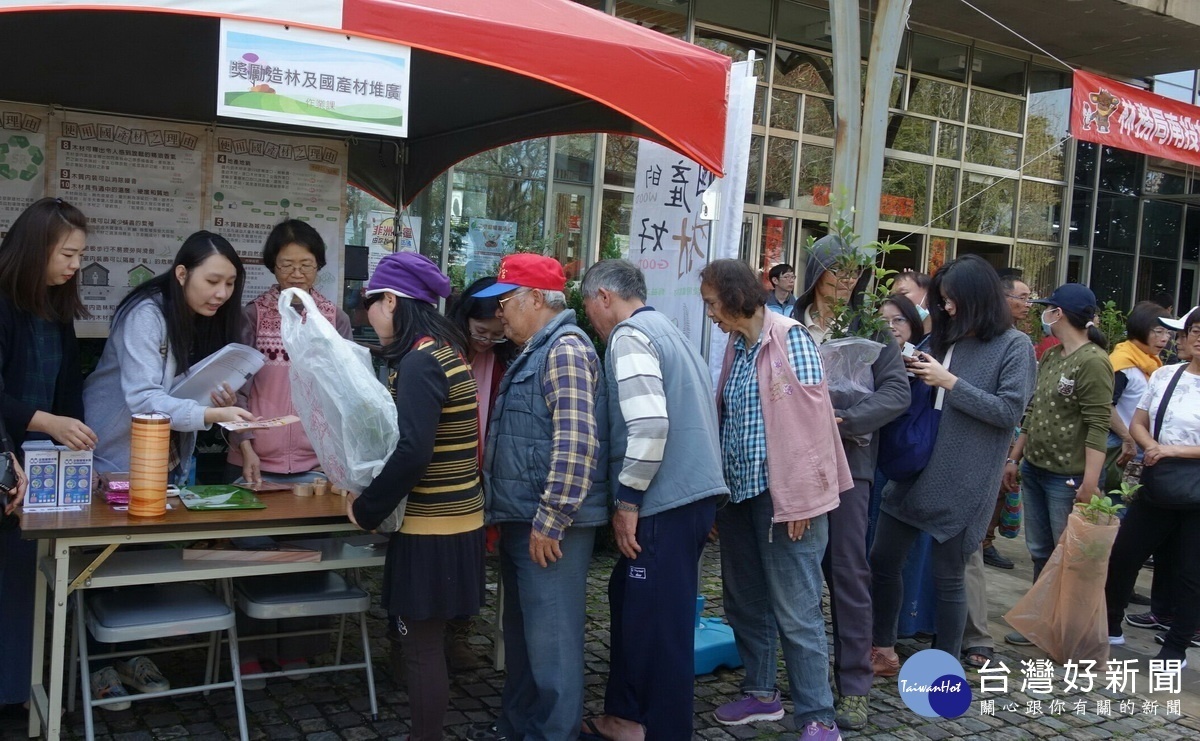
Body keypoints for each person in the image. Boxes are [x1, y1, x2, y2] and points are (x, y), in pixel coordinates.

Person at [83, 231, 253, 703]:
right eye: (212, 281)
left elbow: (179, 390)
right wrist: (212, 414)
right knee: (103, 563)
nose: (221, 293)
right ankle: (99, 664)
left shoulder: (202, 316)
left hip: (167, 458)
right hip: (115, 454)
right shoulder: (146, 314)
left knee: (143, 562)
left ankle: (129, 653)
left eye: (230, 284)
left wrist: (216, 395)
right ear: (182, 273)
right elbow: (142, 399)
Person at [579, 259, 727, 741]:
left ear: (604, 297)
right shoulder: (668, 328)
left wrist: (626, 502)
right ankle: (624, 717)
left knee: (658, 624)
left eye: (589, 307)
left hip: (663, 501)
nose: (593, 322)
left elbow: (649, 426)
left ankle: (659, 729)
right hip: (690, 495)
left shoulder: (629, 335)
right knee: (634, 602)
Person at [702, 258, 850, 740]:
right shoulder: (736, 344)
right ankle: (761, 694)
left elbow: (813, 427)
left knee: (797, 609)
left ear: (731, 297)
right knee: (745, 601)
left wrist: (804, 502)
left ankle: (818, 716)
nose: (709, 314)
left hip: (787, 499)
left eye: (710, 303)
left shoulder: (789, 337)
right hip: (742, 495)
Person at [870, 254, 1036, 670]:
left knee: (949, 577)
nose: (945, 307)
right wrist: (912, 371)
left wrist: (951, 382)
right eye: (942, 300)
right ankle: (882, 647)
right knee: (883, 562)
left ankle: (944, 668)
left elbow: (1008, 412)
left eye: (951, 299)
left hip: (964, 477)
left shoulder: (1014, 346)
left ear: (977, 297)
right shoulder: (944, 337)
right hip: (914, 468)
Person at [347, 252, 486, 741]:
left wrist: (366, 510)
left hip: (431, 530)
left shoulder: (421, 362)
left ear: (392, 301)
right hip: (458, 522)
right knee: (427, 643)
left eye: (372, 304)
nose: (368, 316)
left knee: (421, 646)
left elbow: (412, 452)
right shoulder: (448, 352)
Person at [475, 253, 608, 741]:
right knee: (526, 640)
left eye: (506, 302)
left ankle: (554, 733)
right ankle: (519, 729)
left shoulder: (565, 350)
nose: (500, 313)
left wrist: (551, 518)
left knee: (551, 644)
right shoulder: (537, 348)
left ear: (535, 298)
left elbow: (576, 442)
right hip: (523, 519)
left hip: (548, 527)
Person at [790, 235, 909, 731]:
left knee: (848, 571)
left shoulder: (870, 331)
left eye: (854, 274)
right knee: (791, 573)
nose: (845, 282)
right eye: (836, 272)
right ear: (815, 272)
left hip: (850, 464)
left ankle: (855, 683)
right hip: (793, 461)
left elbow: (897, 393)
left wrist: (848, 419)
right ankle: (800, 679)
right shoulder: (787, 325)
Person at [225, 219, 350, 686]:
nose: (297, 273)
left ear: (319, 265)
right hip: (257, 464)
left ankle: (298, 651)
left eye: (306, 264)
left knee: (307, 561)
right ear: (270, 267)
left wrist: (336, 457)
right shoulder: (251, 316)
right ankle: (252, 654)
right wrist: (245, 445)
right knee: (254, 562)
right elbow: (232, 391)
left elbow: (346, 392)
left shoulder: (334, 318)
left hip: (314, 467)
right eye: (286, 264)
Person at [0, 197, 96, 717]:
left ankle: (22, 692)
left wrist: (76, 440)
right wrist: (48, 423)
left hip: (42, 471)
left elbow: (69, 389)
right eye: (67, 254)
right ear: (36, 247)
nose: (74, 266)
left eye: (80, 255)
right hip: (7, 465)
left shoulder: (55, 307)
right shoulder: (2, 300)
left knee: (28, 580)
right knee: (11, 580)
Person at [1002, 283, 1112, 647]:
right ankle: (1040, 622)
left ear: (1059, 313)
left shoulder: (1094, 361)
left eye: (1048, 309)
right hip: (1036, 467)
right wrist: (1014, 458)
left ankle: (1065, 631)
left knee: (1068, 556)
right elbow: (1033, 412)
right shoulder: (1053, 356)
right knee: (1039, 551)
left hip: (1068, 477)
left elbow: (1098, 423)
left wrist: (1090, 482)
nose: (1044, 315)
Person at [1104, 310, 1200, 667]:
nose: (1198, 337)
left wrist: (1169, 449)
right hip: (1159, 476)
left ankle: (1176, 647)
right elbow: (1140, 420)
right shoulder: (1164, 374)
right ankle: (1110, 625)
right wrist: (1149, 444)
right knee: (1125, 553)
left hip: (1192, 479)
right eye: (1194, 330)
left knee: (1190, 571)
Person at [442, 276, 518, 672]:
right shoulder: (442, 351)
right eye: (480, 332)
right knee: (436, 559)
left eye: (495, 334)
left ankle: (458, 633)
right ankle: (413, 640)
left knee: (472, 560)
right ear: (463, 319)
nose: (486, 341)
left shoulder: (503, 359)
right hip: (443, 472)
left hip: (481, 472)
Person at [871, 294, 937, 641]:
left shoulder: (922, 363)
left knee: (896, 555)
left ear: (913, 323)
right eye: (884, 320)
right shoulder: (869, 356)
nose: (891, 327)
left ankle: (900, 626)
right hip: (873, 459)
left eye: (899, 320)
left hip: (905, 464)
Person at [979, 274, 1035, 570]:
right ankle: (983, 541)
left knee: (1002, 489)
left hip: (1008, 429)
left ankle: (986, 541)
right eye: (1023, 297)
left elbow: (1012, 406)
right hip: (991, 433)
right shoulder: (989, 338)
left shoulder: (1018, 340)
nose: (1029, 304)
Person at [1105, 302, 1170, 496]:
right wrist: (1127, 437)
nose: (1165, 339)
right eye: (1158, 332)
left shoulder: (1149, 362)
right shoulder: (1122, 363)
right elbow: (1105, 405)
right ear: (1140, 328)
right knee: (1116, 499)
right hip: (1119, 444)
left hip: (1140, 443)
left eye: (1167, 333)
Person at [892, 270, 932, 336]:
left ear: (928, 295)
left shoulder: (944, 339)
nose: (896, 300)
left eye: (902, 293)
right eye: (893, 296)